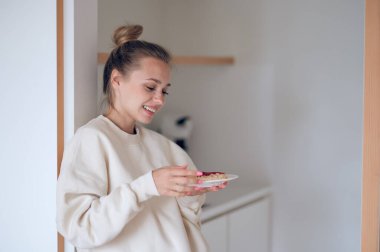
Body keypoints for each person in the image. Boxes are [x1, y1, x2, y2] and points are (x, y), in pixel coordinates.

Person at [56, 24, 227, 252]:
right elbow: (81, 229)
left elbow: (187, 221)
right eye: (150, 87)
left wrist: (191, 195)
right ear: (116, 80)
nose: (160, 100)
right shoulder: (92, 140)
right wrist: (147, 186)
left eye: (164, 90)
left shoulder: (165, 147)